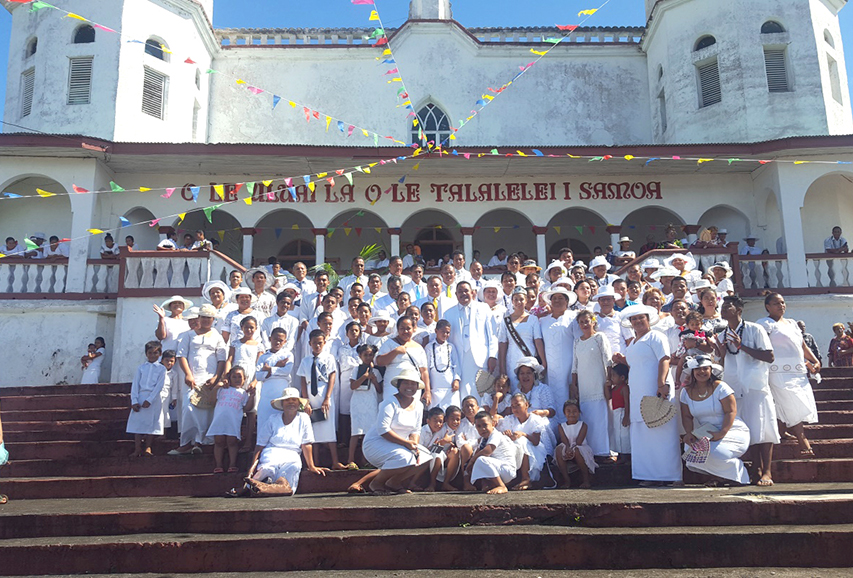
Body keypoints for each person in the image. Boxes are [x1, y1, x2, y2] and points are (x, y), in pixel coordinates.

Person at [614, 304, 682, 486]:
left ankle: (670, 476)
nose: (637, 321)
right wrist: (622, 360)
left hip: (656, 391)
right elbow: (636, 366)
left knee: (662, 433)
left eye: (640, 318)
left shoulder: (657, 336)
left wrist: (661, 384)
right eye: (634, 319)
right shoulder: (633, 343)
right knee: (642, 435)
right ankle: (650, 476)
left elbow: (664, 359)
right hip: (637, 395)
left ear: (648, 318)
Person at [718, 295, 778, 486]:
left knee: (763, 428)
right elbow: (722, 360)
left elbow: (769, 356)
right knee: (747, 430)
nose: (724, 309)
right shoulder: (722, 334)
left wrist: (741, 346)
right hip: (734, 387)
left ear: (739, 310)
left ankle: (767, 472)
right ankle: (755, 469)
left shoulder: (755, 329)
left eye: (728, 306)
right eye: (723, 306)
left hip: (756, 386)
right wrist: (717, 349)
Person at [757, 293, 820, 458]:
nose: (781, 306)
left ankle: (781, 430)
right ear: (767, 307)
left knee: (795, 402)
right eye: (776, 303)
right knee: (790, 402)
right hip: (777, 371)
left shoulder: (792, 323)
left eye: (783, 302)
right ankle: (802, 441)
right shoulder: (764, 324)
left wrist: (814, 360)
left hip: (798, 371)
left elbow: (802, 344)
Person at [362, 367, 438, 494]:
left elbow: (416, 430)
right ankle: (376, 483)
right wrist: (406, 444)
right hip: (376, 444)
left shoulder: (419, 405)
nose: (409, 386)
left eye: (413, 383)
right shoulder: (389, 402)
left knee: (425, 457)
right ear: (398, 385)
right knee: (404, 458)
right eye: (406, 383)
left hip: (400, 445)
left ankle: (394, 482)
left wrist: (414, 446)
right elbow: (383, 429)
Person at [680, 355, 751, 486]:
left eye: (705, 369)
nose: (702, 372)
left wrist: (721, 433)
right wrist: (689, 433)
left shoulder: (721, 387)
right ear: (692, 372)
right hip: (706, 432)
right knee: (690, 450)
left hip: (732, 430)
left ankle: (738, 475)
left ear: (711, 370)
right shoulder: (685, 392)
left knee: (714, 451)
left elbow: (730, 411)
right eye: (698, 369)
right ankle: (723, 476)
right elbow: (687, 416)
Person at [245, 388, 325, 496]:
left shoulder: (304, 418)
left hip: (292, 454)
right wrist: (252, 466)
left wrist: (311, 466)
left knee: (293, 467)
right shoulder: (272, 419)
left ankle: (266, 488)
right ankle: (266, 487)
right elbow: (260, 445)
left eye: (294, 400)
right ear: (282, 404)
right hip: (271, 453)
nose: (291, 402)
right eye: (287, 400)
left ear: (298, 403)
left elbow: (306, 444)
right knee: (268, 469)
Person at [173, 304, 227, 455]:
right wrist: (188, 374)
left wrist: (216, 377)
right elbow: (181, 355)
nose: (206, 320)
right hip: (192, 378)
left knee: (206, 411)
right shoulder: (188, 335)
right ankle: (186, 443)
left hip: (209, 378)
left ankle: (200, 442)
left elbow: (221, 358)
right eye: (203, 317)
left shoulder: (217, 335)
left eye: (209, 318)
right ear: (199, 318)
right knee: (189, 409)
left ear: (213, 319)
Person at [443, 282, 499, 401]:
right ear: (456, 294)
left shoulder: (483, 308)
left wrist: (492, 356)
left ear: (472, 292)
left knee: (482, 394)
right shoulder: (448, 313)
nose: (463, 294)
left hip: (480, 359)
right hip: (459, 358)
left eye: (466, 291)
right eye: (460, 292)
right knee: (463, 395)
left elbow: (492, 335)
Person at [298, 329, 344, 470]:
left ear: (324, 343)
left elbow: (332, 377)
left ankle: (335, 461)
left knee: (329, 428)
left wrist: (327, 398)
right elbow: (303, 380)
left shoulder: (328, 358)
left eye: (320, 343)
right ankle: (315, 462)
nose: (317, 346)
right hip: (311, 397)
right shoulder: (305, 361)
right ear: (309, 343)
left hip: (324, 394)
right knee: (313, 431)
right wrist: (306, 401)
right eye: (314, 343)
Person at [570, 310, 613, 460]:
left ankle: (605, 451)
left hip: (599, 383)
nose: (584, 325)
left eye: (587, 321)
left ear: (593, 322)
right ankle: (591, 451)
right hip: (584, 386)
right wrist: (574, 385)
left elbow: (607, 360)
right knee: (588, 418)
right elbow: (574, 366)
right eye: (581, 322)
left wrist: (608, 381)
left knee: (601, 418)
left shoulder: (599, 338)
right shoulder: (577, 341)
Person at [500, 392, 555, 489]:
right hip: (515, 449)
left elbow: (536, 441)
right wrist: (508, 435)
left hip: (534, 449)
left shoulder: (535, 419)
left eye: (518, 405)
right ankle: (509, 478)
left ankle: (526, 478)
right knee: (507, 442)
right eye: (513, 406)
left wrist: (523, 434)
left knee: (522, 441)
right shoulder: (509, 420)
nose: (515, 409)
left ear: (526, 405)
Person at [498, 287, 546, 390]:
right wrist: (502, 368)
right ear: (512, 301)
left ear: (526, 301)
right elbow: (502, 345)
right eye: (515, 299)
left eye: (521, 299)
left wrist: (543, 361)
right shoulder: (505, 320)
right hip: (512, 360)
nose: (518, 302)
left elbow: (538, 341)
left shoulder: (533, 319)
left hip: (529, 358)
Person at [540, 287, 578, 418]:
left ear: (567, 302)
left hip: (570, 366)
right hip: (550, 369)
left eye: (560, 298)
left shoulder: (574, 318)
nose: (557, 301)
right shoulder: (543, 321)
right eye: (554, 298)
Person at [208, 366, 254, 473]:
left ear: (244, 379)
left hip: (232, 422)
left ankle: (232, 464)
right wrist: (216, 387)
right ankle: (219, 464)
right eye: (234, 377)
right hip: (219, 421)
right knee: (218, 442)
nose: (237, 379)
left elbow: (247, 408)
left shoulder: (243, 393)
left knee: (232, 442)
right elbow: (211, 401)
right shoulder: (222, 390)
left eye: (240, 377)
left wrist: (252, 396)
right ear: (229, 378)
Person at [126, 341, 168, 457]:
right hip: (140, 396)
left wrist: (150, 399)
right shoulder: (141, 368)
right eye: (150, 353)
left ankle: (148, 448)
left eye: (155, 353)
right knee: (138, 424)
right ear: (146, 353)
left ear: (159, 354)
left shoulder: (161, 369)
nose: (152, 355)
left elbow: (159, 385)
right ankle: (137, 448)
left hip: (153, 399)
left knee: (151, 424)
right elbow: (135, 385)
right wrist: (134, 400)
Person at [376, 316, 431, 403]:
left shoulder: (419, 348)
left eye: (408, 328)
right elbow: (379, 362)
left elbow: (424, 371)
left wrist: (427, 391)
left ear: (413, 329)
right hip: (392, 386)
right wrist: (395, 351)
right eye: (402, 328)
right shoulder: (389, 343)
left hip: (412, 386)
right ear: (397, 329)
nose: (405, 331)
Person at [465, 411, 517, 494]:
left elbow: (487, 451)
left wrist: (471, 462)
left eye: (485, 425)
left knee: (481, 459)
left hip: (507, 470)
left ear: (492, 424)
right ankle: (488, 484)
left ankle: (502, 486)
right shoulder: (483, 439)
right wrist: (470, 466)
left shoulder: (495, 435)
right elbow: (478, 452)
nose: (482, 429)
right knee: (478, 460)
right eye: (479, 426)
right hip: (498, 469)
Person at [349, 343, 383, 468]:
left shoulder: (377, 371)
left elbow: (380, 390)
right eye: (365, 355)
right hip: (358, 402)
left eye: (370, 355)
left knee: (368, 432)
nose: (368, 357)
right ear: (360, 355)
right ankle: (350, 460)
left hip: (371, 402)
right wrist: (364, 376)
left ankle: (365, 459)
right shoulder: (356, 369)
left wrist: (374, 380)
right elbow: (353, 386)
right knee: (356, 432)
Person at [255, 328, 294, 431]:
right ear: (269, 339)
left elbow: (287, 371)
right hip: (267, 392)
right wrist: (277, 367)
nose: (277, 342)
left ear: (285, 341)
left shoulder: (288, 355)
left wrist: (269, 369)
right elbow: (258, 376)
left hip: (281, 391)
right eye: (275, 339)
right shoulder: (263, 357)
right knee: (264, 419)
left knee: (280, 420)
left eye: (281, 340)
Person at [554, 400, 597, 488]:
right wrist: (567, 448)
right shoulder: (561, 426)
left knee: (577, 450)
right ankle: (567, 480)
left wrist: (572, 449)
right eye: (568, 411)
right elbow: (564, 440)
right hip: (567, 447)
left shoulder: (583, 425)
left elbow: (579, 441)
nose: (572, 414)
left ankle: (586, 480)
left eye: (574, 411)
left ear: (579, 412)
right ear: (564, 413)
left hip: (580, 447)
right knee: (558, 449)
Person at [426, 320, 461, 410]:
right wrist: (428, 388)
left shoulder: (451, 347)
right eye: (443, 332)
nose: (445, 334)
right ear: (436, 331)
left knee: (451, 412)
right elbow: (426, 369)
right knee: (436, 414)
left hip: (450, 388)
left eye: (448, 332)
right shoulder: (429, 347)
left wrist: (456, 380)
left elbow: (456, 364)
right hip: (435, 388)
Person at [514, 357, 556, 421]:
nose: (525, 376)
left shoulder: (543, 389)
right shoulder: (516, 393)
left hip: (542, 422)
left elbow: (552, 411)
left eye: (528, 373)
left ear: (534, 375)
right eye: (522, 373)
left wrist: (543, 413)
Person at [607, 363, 631, 462]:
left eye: (614, 375)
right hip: (615, 414)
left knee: (624, 435)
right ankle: (619, 453)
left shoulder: (624, 388)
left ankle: (626, 455)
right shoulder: (614, 388)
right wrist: (606, 386)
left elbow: (627, 402)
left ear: (622, 377)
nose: (612, 378)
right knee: (617, 434)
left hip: (622, 412)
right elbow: (608, 397)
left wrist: (626, 416)